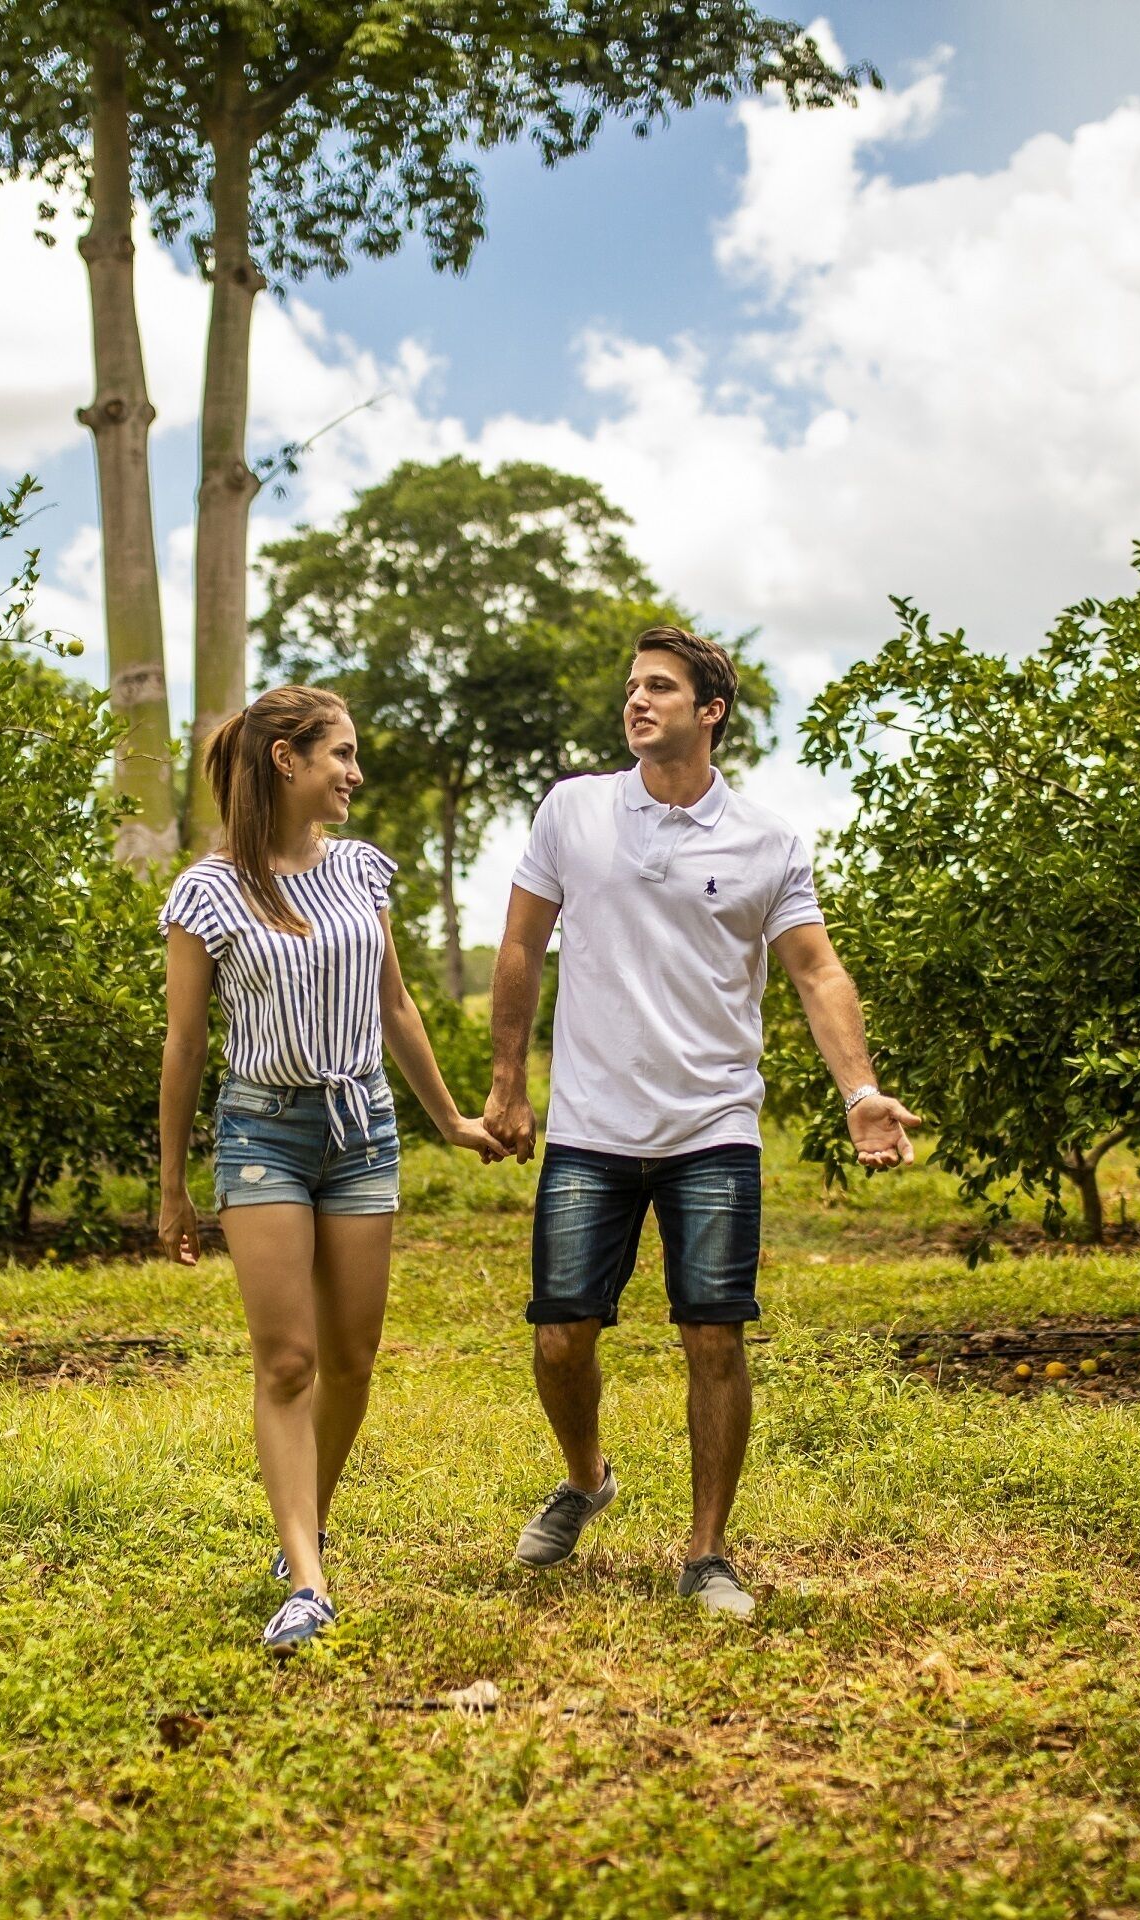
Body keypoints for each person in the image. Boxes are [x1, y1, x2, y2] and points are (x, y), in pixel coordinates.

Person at [483, 626, 919, 1619]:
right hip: (591, 1122)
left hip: (713, 1124)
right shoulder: (575, 812)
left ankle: (707, 1552)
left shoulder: (766, 841)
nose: (638, 702)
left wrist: (861, 1094)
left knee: (713, 1337)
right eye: (633, 688)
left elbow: (816, 971)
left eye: (661, 689)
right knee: (560, 1338)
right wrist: (508, 1086)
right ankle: (588, 1477)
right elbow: (519, 945)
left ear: (709, 711)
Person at [159, 685, 505, 1653]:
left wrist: (454, 1121)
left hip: (364, 1132)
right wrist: (172, 1187)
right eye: (341, 755)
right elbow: (186, 1047)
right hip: (263, 1132)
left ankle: (302, 1522)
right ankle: (307, 1582)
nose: (355, 773)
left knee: (350, 1362)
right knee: (289, 1361)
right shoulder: (209, 891)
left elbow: (396, 1008)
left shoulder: (358, 871)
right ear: (288, 760)